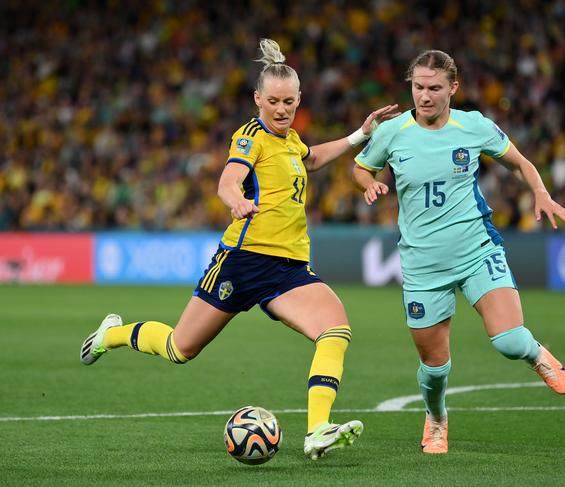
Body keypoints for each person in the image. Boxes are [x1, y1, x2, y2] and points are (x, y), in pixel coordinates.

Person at [80, 38, 399, 460]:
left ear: (299, 99)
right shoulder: (251, 136)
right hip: (240, 263)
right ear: (257, 99)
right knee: (180, 348)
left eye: (289, 101)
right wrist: (236, 201)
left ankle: (318, 429)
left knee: (335, 330)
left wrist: (361, 134)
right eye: (273, 102)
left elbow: (312, 160)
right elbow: (228, 179)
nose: (282, 109)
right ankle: (112, 334)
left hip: (288, 268)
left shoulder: (290, 141)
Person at [352, 50, 565, 455]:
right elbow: (361, 165)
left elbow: (520, 163)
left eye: (434, 88)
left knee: (508, 342)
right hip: (422, 265)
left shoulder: (473, 126)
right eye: (418, 87)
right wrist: (367, 183)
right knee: (434, 370)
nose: (424, 96)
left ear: (453, 87)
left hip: (476, 250)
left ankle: (536, 354)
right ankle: (436, 419)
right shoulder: (392, 131)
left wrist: (541, 192)